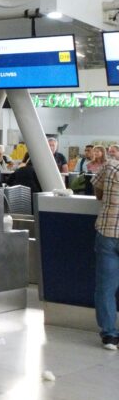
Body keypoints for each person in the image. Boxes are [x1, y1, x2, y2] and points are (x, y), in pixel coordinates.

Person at [92, 148, 119, 350]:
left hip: (107, 232)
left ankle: (109, 335)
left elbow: (98, 193)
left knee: (106, 287)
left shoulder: (109, 166)